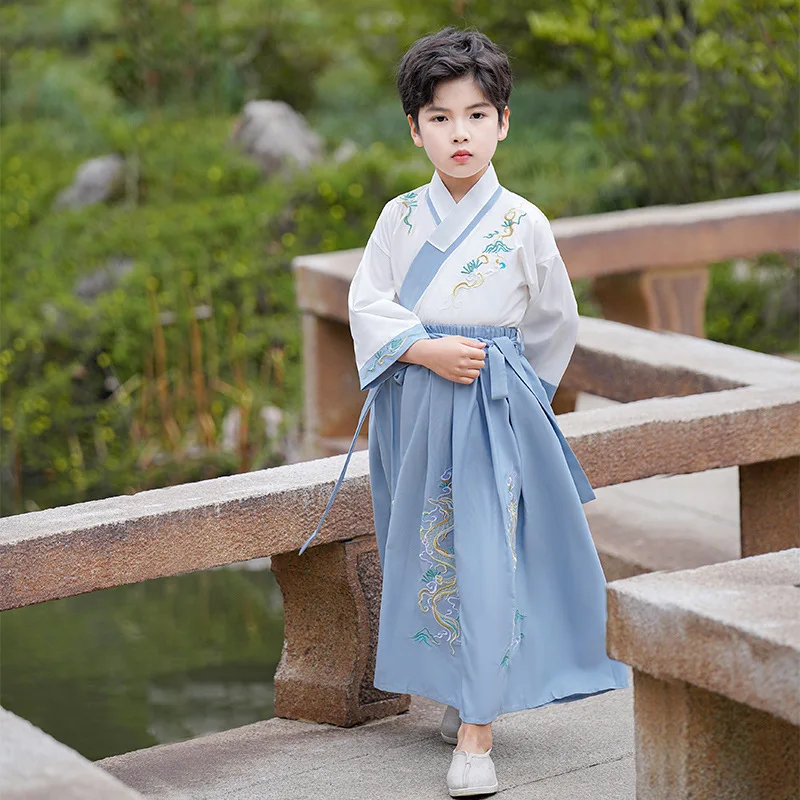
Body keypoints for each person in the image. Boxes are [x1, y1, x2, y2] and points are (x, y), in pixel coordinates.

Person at [299, 26, 629, 798]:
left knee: (486, 556)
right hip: (413, 408)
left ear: (503, 122)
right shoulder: (398, 218)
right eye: (441, 118)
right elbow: (368, 305)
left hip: (489, 408)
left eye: (477, 115)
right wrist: (423, 353)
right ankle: (462, 688)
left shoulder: (524, 224)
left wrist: (511, 392)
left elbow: (555, 323)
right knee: (426, 549)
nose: (460, 133)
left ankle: (477, 733)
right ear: (415, 128)